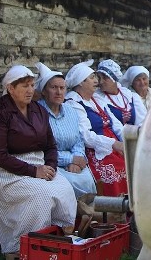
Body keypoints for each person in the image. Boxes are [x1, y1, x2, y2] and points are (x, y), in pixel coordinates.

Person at [0, 65, 76, 258]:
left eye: (32, 85)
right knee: (39, 195)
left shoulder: (38, 110)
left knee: (65, 189)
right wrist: (34, 171)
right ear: (11, 88)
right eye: (24, 86)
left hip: (35, 162)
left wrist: (51, 167)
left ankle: (61, 238)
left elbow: (50, 145)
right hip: (1, 168)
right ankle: (24, 246)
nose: (30, 90)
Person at [64, 60, 128, 196]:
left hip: (114, 145)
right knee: (115, 170)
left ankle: (129, 212)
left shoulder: (96, 98)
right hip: (94, 149)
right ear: (81, 82)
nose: (96, 80)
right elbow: (85, 136)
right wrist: (114, 144)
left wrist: (127, 141)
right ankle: (111, 212)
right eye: (92, 77)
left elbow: (115, 124)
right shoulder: (73, 102)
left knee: (133, 165)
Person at [35, 62, 97, 200]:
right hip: (51, 164)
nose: (59, 92)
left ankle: (89, 219)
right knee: (68, 187)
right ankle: (71, 220)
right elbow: (41, 149)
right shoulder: (37, 113)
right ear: (44, 91)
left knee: (88, 182)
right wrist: (70, 159)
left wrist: (76, 159)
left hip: (74, 162)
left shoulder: (70, 110)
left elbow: (78, 140)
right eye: (53, 87)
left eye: (62, 88)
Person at [95, 59, 146, 125]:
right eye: (99, 78)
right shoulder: (98, 98)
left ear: (114, 78)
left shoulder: (131, 97)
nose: (101, 82)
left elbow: (142, 122)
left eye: (105, 77)